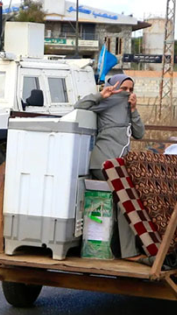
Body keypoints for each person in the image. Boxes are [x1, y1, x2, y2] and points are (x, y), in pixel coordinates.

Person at [74, 74, 145, 261]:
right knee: (126, 201)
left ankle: (110, 248)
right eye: (124, 89)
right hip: (103, 162)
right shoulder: (108, 101)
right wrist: (100, 95)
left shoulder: (127, 107)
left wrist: (134, 110)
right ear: (113, 88)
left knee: (120, 203)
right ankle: (129, 252)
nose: (127, 93)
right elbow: (78, 107)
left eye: (131, 89)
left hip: (119, 165)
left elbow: (139, 133)